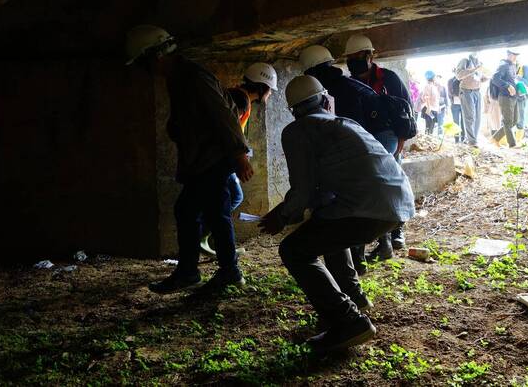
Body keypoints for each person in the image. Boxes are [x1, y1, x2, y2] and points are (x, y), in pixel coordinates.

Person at [258, 75, 415, 352]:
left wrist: (283, 215)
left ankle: (348, 321)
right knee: (326, 222)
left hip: (368, 209)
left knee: (294, 250)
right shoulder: (343, 123)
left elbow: (303, 189)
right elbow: (319, 195)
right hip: (397, 203)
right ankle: (354, 296)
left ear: (294, 110)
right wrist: (291, 210)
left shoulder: (298, 131)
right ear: (324, 100)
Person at [125, 25, 260, 294]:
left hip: (212, 161)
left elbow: (224, 116)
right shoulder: (180, 78)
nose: (145, 70)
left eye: (143, 63)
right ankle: (195, 272)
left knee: (213, 214)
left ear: (155, 55)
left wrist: (239, 155)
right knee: (191, 211)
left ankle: (223, 272)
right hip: (202, 161)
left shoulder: (193, 78)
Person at [299, 44, 395, 271]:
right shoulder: (349, 83)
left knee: (352, 198)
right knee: (372, 193)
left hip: (369, 144)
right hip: (381, 142)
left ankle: (357, 259)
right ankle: (385, 245)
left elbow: (346, 130)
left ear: (311, 71)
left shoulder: (332, 91)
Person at [342, 34, 413, 258]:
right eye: (350, 57)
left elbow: (406, 110)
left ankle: (396, 233)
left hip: (389, 141)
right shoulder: (348, 83)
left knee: (392, 185)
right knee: (373, 187)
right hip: (363, 142)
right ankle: (381, 240)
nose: (353, 60)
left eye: (358, 56)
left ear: (369, 56)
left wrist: (401, 141)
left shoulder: (389, 79)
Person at [199, 64, 278, 258]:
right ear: (262, 87)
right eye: (270, 89)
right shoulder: (240, 100)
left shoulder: (237, 95)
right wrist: (239, 158)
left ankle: (208, 237)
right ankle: (203, 236)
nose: (270, 94)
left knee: (228, 199)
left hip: (218, 158)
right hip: (220, 160)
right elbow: (227, 131)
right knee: (233, 198)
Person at [489, 50, 519, 148]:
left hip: (514, 97)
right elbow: (495, 78)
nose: (515, 57)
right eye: (514, 55)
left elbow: (512, 79)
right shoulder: (503, 65)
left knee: (514, 121)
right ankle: (512, 144)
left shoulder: (513, 66)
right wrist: (507, 86)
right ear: (508, 55)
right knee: (508, 122)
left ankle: (495, 138)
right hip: (505, 97)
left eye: (516, 55)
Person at [455, 53, 486, 146]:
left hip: (477, 91)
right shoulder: (465, 61)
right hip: (467, 91)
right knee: (470, 117)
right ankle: (471, 141)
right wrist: (474, 69)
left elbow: (478, 78)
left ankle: (473, 139)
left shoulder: (480, 62)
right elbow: (459, 75)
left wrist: (485, 78)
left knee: (478, 118)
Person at [420, 70, 440, 135]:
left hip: (433, 109)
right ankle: (427, 142)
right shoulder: (428, 86)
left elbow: (436, 99)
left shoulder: (433, 86)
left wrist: (437, 108)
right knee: (429, 127)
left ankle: (429, 141)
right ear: (433, 78)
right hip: (429, 109)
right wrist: (428, 108)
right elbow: (426, 97)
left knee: (432, 127)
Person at [447, 72, 464, 143]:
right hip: (455, 104)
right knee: (456, 122)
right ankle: (456, 139)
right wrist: (458, 94)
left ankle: (463, 138)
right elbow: (449, 92)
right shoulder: (451, 80)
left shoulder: (464, 79)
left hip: (463, 104)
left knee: (464, 122)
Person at [515, 64, 528, 130]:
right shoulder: (509, 66)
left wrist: (518, 78)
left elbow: (527, 82)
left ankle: (520, 132)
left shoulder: (524, 67)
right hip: (511, 96)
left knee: (520, 119)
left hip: (520, 97)